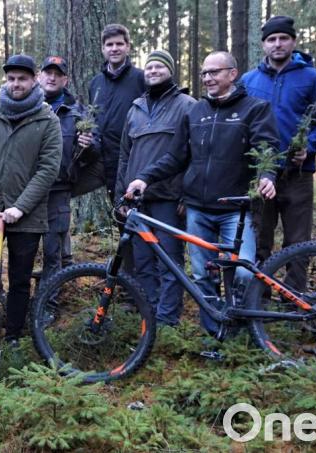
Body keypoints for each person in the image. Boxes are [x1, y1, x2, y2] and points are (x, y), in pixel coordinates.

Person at [126, 51, 280, 335]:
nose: (208, 78)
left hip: (236, 209)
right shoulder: (195, 111)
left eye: (214, 72)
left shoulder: (254, 108)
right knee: (202, 274)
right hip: (198, 208)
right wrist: (144, 178)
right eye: (204, 73)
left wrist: (267, 175)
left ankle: (243, 332)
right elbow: (175, 157)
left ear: (232, 74)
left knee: (244, 272)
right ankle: (214, 335)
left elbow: (266, 146)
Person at [0, 54, 62, 348]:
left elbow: (48, 169)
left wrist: (21, 206)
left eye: (22, 78)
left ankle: (15, 335)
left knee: (20, 275)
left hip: (28, 215)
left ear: (34, 80)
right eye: (11, 79)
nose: (16, 84)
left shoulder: (47, 119)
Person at [241, 15, 316, 289]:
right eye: (271, 39)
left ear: (293, 42)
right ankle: (259, 296)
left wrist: (309, 148)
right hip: (259, 175)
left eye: (283, 38)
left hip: (298, 174)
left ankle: (294, 297)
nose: (277, 44)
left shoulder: (312, 77)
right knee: (260, 238)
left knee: (297, 241)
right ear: (263, 45)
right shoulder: (249, 80)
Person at [115, 50, 196, 327]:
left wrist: (187, 193)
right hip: (137, 200)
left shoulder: (187, 105)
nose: (153, 71)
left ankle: (167, 319)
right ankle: (149, 312)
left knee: (169, 260)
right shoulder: (135, 108)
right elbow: (124, 156)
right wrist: (121, 195)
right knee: (142, 260)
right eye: (148, 67)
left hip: (169, 198)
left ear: (171, 70)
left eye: (159, 66)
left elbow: (194, 154)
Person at [36, 55, 96, 287]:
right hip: (26, 191)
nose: (52, 78)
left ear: (66, 80)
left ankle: (48, 303)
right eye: (48, 73)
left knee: (53, 251)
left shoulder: (77, 113)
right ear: (39, 76)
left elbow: (93, 155)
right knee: (24, 253)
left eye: (57, 74)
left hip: (58, 190)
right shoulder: (27, 106)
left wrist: (88, 146)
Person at [88, 23, 145, 200]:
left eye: (119, 44)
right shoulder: (95, 83)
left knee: (136, 213)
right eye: (109, 45)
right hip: (104, 162)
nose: (114, 49)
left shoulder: (141, 78)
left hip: (133, 159)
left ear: (127, 47)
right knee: (119, 212)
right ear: (103, 49)